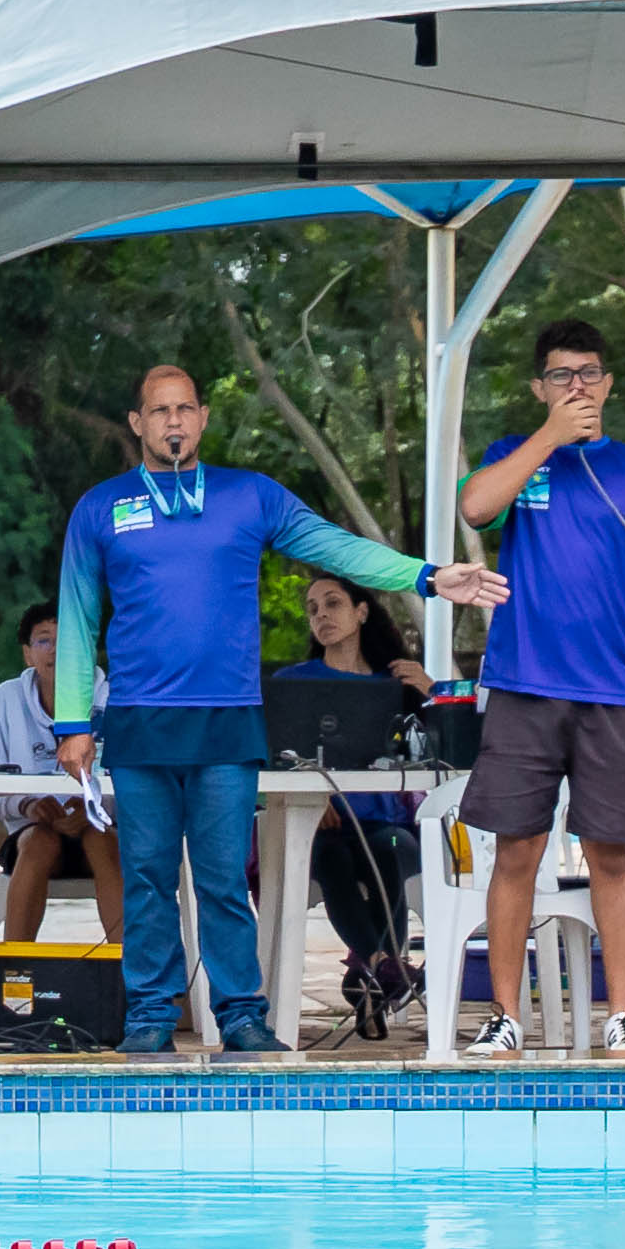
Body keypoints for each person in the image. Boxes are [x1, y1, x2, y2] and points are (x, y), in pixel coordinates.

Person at [61, 362, 496, 1054]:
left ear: (203, 418)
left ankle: (241, 1015)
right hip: (141, 721)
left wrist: (427, 576)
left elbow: (335, 546)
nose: (174, 421)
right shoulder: (101, 507)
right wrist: (71, 723)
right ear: (138, 423)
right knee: (145, 879)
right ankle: (148, 1016)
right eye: (160, 410)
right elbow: (78, 616)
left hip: (229, 720)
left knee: (223, 881)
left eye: (185, 408)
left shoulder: (249, 496)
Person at [453, 320, 625, 1052]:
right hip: (523, 683)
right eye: (561, 375)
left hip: (609, 690)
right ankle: (505, 1017)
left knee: (611, 853)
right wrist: (550, 437)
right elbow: (475, 508)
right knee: (516, 850)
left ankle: (622, 1015)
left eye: (588, 373)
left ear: (608, 384)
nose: (577, 385)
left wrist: (605, 624)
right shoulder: (514, 455)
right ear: (539, 387)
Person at [276, 576, 434, 1039]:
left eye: (333, 603)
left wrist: (430, 690)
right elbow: (274, 752)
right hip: (319, 825)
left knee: (388, 849)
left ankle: (371, 970)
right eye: (313, 609)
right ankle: (386, 964)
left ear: (362, 612)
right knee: (332, 856)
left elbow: (446, 743)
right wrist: (311, 791)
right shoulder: (292, 684)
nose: (321, 615)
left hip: (386, 823)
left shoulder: (396, 682)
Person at [0, 607, 115, 947]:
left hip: (105, 831)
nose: (56, 652)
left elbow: (137, 782)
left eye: (68, 642)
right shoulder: (6, 700)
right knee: (39, 842)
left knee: (103, 840)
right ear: (27, 654)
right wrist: (29, 806)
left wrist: (95, 808)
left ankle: (129, 970)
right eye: (44, 641)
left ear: (87, 651)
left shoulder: (113, 699)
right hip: (29, 836)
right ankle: (15, 968)